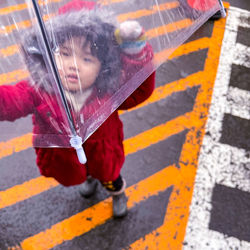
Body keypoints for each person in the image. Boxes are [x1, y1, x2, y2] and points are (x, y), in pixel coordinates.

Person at [0, 0, 155, 218]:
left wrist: (137, 57)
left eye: (87, 58)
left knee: (110, 178)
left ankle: (118, 193)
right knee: (84, 174)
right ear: (49, 56)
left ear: (103, 66)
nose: (74, 65)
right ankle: (90, 178)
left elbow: (139, 90)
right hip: (68, 160)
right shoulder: (40, 90)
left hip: (104, 154)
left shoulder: (107, 93)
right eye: (64, 53)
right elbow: (9, 101)